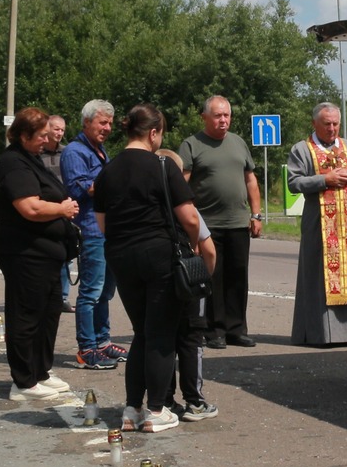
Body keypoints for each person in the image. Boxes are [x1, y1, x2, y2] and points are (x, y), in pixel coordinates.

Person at [93, 104, 205, 434]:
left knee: (141, 332)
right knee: (160, 334)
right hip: (158, 254)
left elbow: (102, 224)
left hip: (120, 256)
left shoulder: (108, 171)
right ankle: (156, 410)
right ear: (153, 133)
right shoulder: (162, 165)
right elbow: (190, 218)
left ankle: (132, 409)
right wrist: (193, 245)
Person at [0, 108, 81, 403]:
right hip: (24, 251)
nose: (47, 139)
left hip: (45, 252)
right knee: (27, 315)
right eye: (41, 135)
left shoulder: (31, 158)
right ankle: (24, 381)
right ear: (23, 135)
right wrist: (62, 209)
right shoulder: (13, 163)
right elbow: (29, 207)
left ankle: (41, 371)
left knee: (49, 312)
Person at [178, 94, 264, 350]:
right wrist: (187, 221)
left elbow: (250, 180)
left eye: (227, 115)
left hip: (238, 223)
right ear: (205, 117)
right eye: (217, 115)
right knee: (213, 278)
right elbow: (181, 183)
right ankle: (214, 330)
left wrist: (256, 215)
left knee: (238, 277)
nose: (223, 120)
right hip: (207, 225)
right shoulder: (192, 144)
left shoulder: (238, 143)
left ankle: (236, 329)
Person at [287, 102, 347, 347]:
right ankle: (320, 334)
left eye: (336, 123)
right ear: (314, 123)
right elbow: (294, 182)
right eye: (327, 124)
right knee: (317, 277)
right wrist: (325, 179)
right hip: (319, 225)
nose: (332, 128)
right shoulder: (302, 149)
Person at [64, 99, 127, 371]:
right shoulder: (74, 152)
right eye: (103, 122)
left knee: (105, 293)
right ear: (87, 122)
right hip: (91, 232)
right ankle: (86, 349)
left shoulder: (99, 150)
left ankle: (102, 342)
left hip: (108, 231)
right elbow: (78, 189)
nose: (108, 128)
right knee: (90, 293)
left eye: (110, 123)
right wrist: (117, 181)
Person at [158, 148, 220, 420]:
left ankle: (164, 400)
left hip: (158, 280)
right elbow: (209, 250)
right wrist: (204, 278)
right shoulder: (186, 207)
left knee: (163, 338)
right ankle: (194, 401)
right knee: (192, 339)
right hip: (188, 281)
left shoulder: (148, 207)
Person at [44, 114, 72, 311]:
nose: (60, 133)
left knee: (67, 255)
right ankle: (46, 294)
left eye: (62, 130)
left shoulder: (67, 153)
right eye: (56, 129)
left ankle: (62, 297)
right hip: (45, 209)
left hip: (66, 208)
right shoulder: (37, 154)